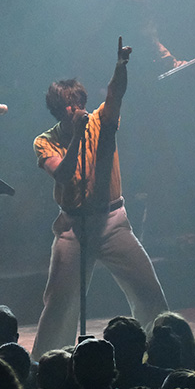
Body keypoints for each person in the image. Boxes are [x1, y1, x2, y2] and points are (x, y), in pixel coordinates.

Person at [31, 37, 169, 356]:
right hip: (73, 230)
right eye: (69, 104)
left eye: (79, 102)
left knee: (148, 291)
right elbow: (62, 175)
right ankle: (45, 364)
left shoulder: (102, 121)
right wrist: (77, 137)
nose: (77, 109)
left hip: (112, 223)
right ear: (58, 109)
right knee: (59, 302)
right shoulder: (44, 141)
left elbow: (115, 93)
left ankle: (163, 352)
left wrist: (120, 66)